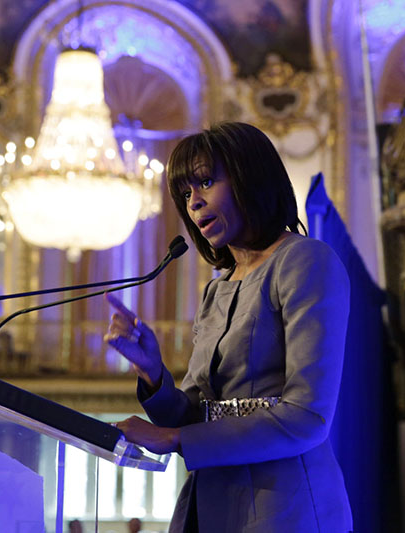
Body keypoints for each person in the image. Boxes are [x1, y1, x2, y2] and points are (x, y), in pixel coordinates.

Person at [104, 122, 352, 532]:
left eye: (205, 182)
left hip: (284, 507)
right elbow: (197, 410)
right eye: (185, 194)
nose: (194, 203)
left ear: (250, 176)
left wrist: (176, 440)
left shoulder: (306, 261)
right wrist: (152, 373)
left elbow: (308, 416)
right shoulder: (217, 290)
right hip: (209, 503)